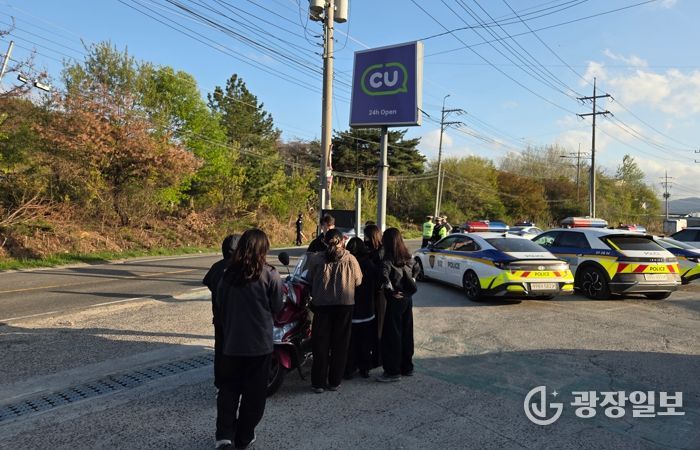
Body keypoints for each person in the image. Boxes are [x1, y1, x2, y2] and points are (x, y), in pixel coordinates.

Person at [213, 229, 284, 450]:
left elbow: (219, 306)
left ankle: (224, 436)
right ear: (264, 249)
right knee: (254, 395)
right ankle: (243, 436)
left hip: (231, 343)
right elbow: (278, 306)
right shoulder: (270, 275)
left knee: (229, 389)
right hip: (259, 345)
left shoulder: (227, 274)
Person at [306, 229, 362, 393]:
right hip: (344, 306)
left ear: (325, 242)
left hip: (321, 306)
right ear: (342, 241)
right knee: (340, 344)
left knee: (320, 345)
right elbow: (358, 281)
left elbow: (309, 278)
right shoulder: (350, 259)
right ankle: (334, 381)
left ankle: (318, 383)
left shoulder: (316, 259)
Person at [376, 228, 418, 383]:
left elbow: (384, 277)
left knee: (392, 335)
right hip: (407, 299)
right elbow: (416, 270)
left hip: (395, 300)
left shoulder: (388, 258)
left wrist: (391, 291)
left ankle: (392, 371)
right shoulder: (408, 256)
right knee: (407, 333)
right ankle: (407, 367)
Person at [203, 234, 239, 389]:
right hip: (236, 320)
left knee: (220, 351)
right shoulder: (241, 268)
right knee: (236, 353)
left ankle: (220, 383)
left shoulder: (216, 267)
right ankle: (234, 384)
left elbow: (208, 282)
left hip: (219, 317)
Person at [344, 237, 379, 379]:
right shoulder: (369, 264)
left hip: (351, 309)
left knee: (350, 342)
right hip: (368, 309)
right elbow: (378, 282)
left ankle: (350, 369)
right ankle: (365, 368)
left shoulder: (347, 263)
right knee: (365, 341)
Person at [363, 223, 385, 367]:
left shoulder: (380, 253)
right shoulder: (373, 250)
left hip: (379, 294)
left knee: (378, 327)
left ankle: (378, 359)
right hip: (372, 293)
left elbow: (379, 274)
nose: (364, 240)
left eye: (366, 236)